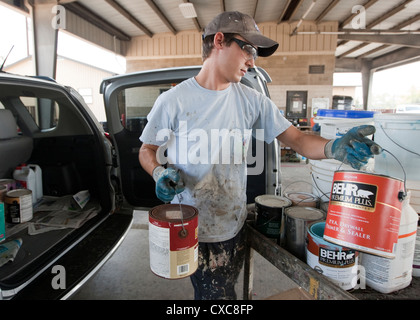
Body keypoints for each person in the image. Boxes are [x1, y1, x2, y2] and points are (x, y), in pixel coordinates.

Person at [139, 11, 380, 300]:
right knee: (210, 295)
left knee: (222, 293)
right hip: (188, 225)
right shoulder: (173, 100)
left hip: (232, 226)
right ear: (219, 41)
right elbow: (146, 149)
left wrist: (333, 147)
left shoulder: (251, 100)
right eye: (249, 49)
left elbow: (299, 140)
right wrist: (157, 172)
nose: (252, 61)